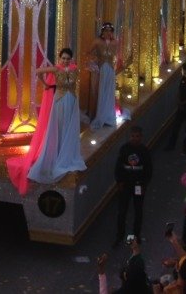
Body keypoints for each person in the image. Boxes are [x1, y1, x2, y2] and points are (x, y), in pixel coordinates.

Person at [8, 48, 86, 194]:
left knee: (69, 127)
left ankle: (66, 153)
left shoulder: (75, 70)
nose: (65, 61)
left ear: (71, 59)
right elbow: (38, 71)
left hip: (72, 101)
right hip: (60, 101)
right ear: (59, 58)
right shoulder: (56, 68)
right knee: (60, 126)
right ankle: (56, 154)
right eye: (63, 58)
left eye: (68, 58)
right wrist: (47, 84)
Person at [113, 126, 152, 245]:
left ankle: (136, 235)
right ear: (130, 136)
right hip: (125, 185)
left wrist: (145, 184)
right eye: (133, 136)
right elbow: (118, 167)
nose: (135, 139)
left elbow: (148, 169)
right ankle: (120, 235)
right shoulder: (124, 149)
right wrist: (119, 182)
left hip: (138, 185)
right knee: (122, 211)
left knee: (138, 210)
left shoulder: (144, 151)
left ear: (141, 137)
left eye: (137, 136)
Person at [165, 63, 186, 154]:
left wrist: (183, 103)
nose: (181, 71)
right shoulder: (183, 80)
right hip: (181, 108)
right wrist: (179, 101)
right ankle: (171, 144)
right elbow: (180, 90)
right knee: (176, 126)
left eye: (182, 70)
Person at [90, 23, 117, 130]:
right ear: (102, 32)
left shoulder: (115, 42)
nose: (108, 33)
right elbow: (89, 52)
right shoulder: (97, 41)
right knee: (102, 91)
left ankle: (109, 116)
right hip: (101, 69)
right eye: (106, 31)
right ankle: (100, 115)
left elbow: (115, 55)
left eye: (110, 31)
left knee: (110, 91)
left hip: (110, 70)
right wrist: (94, 62)